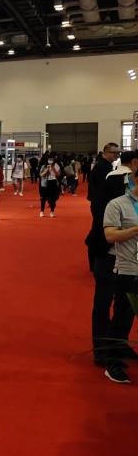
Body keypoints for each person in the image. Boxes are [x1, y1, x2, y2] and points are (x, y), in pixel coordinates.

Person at [89, 151, 133, 372]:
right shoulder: (115, 183)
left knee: (126, 304)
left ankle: (118, 345)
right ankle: (103, 350)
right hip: (109, 252)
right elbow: (99, 215)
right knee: (105, 301)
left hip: (128, 256)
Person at [100, 168, 138, 383]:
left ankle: (122, 348)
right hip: (127, 270)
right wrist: (135, 230)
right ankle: (111, 362)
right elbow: (110, 235)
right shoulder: (117, 205)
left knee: (130, 317)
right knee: (122, 317)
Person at [87, 143, 121, 270]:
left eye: (118, 153)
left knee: (97, 231)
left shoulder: (104, 165)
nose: (117, 155)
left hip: (99, 203)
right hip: (101, 205)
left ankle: (94, 262)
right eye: (114, 152)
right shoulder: (103, 167)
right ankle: (96, 263)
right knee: (99, 233)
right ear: (106, 152)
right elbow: (102, 189)